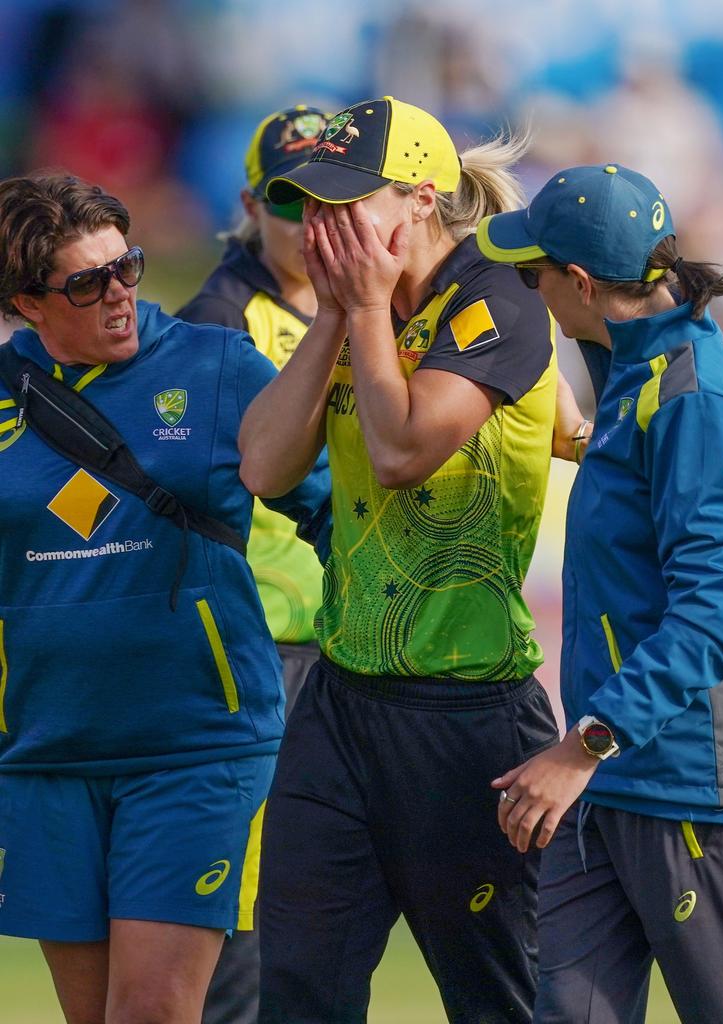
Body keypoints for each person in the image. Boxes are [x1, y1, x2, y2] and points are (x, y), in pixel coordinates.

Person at [239, 96, 560, 1024]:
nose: (322, 226)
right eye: (308, 205)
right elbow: (263, 465)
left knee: (493, 997)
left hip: (468, 713)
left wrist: (366, 310)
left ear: (421, 199)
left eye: (347, 202)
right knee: (298, 986)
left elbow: (402, 448)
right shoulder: (352, 310)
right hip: (341, 703)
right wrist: (343, 316)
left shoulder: (498, 301)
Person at [0, 173, 329, 1024]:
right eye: (86, 283)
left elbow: (331, 509)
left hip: (196, 744)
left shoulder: (217, 366)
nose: (118, 296)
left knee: (151, 1013)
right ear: (25, 304)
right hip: (46, 753)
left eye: (127, 268)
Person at [479, 164, 723, 1024]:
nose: (527, 290)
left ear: (578, 284)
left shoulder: (694, 398)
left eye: (532, 274)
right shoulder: (634, 370)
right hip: (608, 779)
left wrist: (584, 745)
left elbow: (710, 619)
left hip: (691, 785)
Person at [176, 104, 329, 1024]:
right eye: (289, 198)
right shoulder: (219, 326)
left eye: (328, 196)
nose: (313, 220)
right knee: (248, 900)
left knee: (322, 895)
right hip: (264, 645)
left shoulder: (378, 305)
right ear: (249, 201)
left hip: (346, 638)